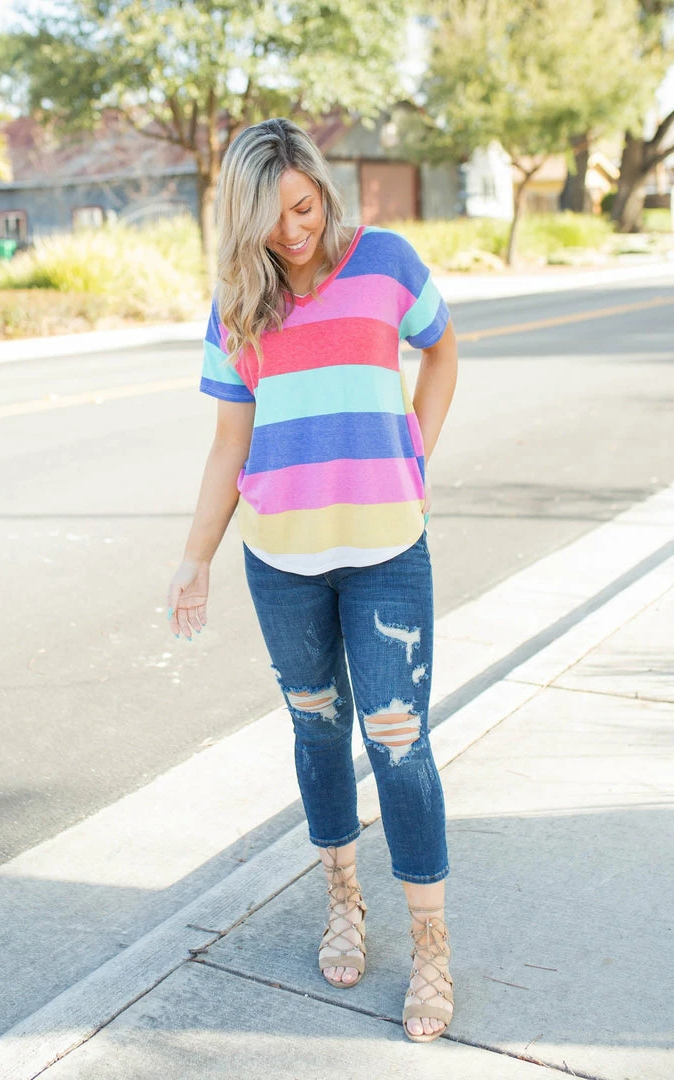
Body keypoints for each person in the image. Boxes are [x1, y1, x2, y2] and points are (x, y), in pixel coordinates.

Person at [167, 117, 458, 1043]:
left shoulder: (385, 261)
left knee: (398, 741)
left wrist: (415, 458)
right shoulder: (237, 303)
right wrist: (196, 558)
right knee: (318, 729)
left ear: (323, 191)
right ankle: (342, 899)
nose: (294, 230)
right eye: (273, 215)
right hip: (281, 562)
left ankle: (431, 944)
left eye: (305, 206)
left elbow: (443, 349)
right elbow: (230, 444)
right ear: (241, 216)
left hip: (387, 549)